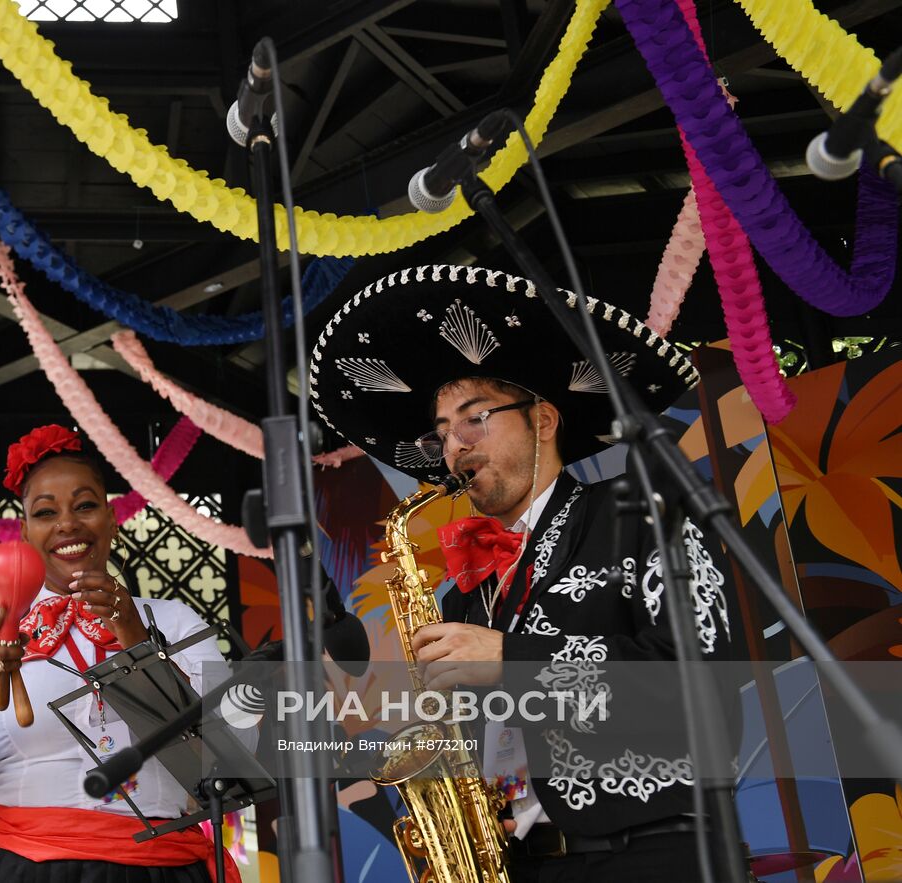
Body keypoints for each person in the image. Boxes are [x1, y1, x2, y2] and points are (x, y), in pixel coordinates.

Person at [309, 255, 742, 882]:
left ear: (543, 419)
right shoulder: (463, 594)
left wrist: (513, 662)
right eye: (442, 434)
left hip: (655, 855)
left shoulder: (646, 513)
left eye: (475, 418)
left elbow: (703, 690)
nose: (455, 445)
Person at [0, 424, 254, 883]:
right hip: (26, 869)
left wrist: (136, 639)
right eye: (45, 512)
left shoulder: (174, 621)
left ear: (112, 519)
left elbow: (230, 765)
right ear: (25, 531)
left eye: (86, 505)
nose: (67, 524)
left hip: (158, 869)